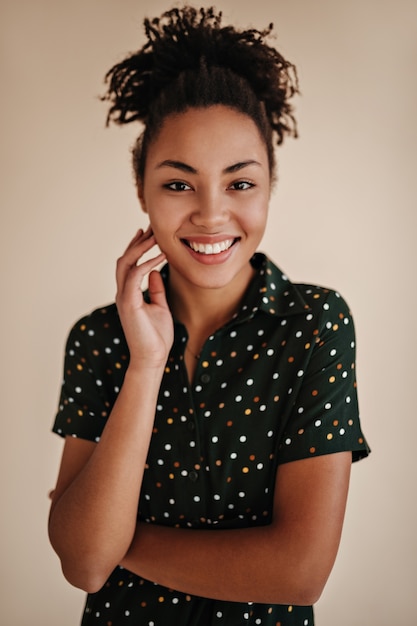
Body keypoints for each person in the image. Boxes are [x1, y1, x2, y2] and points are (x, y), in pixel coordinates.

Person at [48, 6, 370, 625]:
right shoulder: (98, 338)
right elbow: (87, 568)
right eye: (179, 184)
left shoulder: (316, 324)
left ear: (270, 185)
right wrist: (146, 363)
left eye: (240, 183)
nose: (212, 214)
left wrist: (116, 540)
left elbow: (300, 573)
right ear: (142, 189)